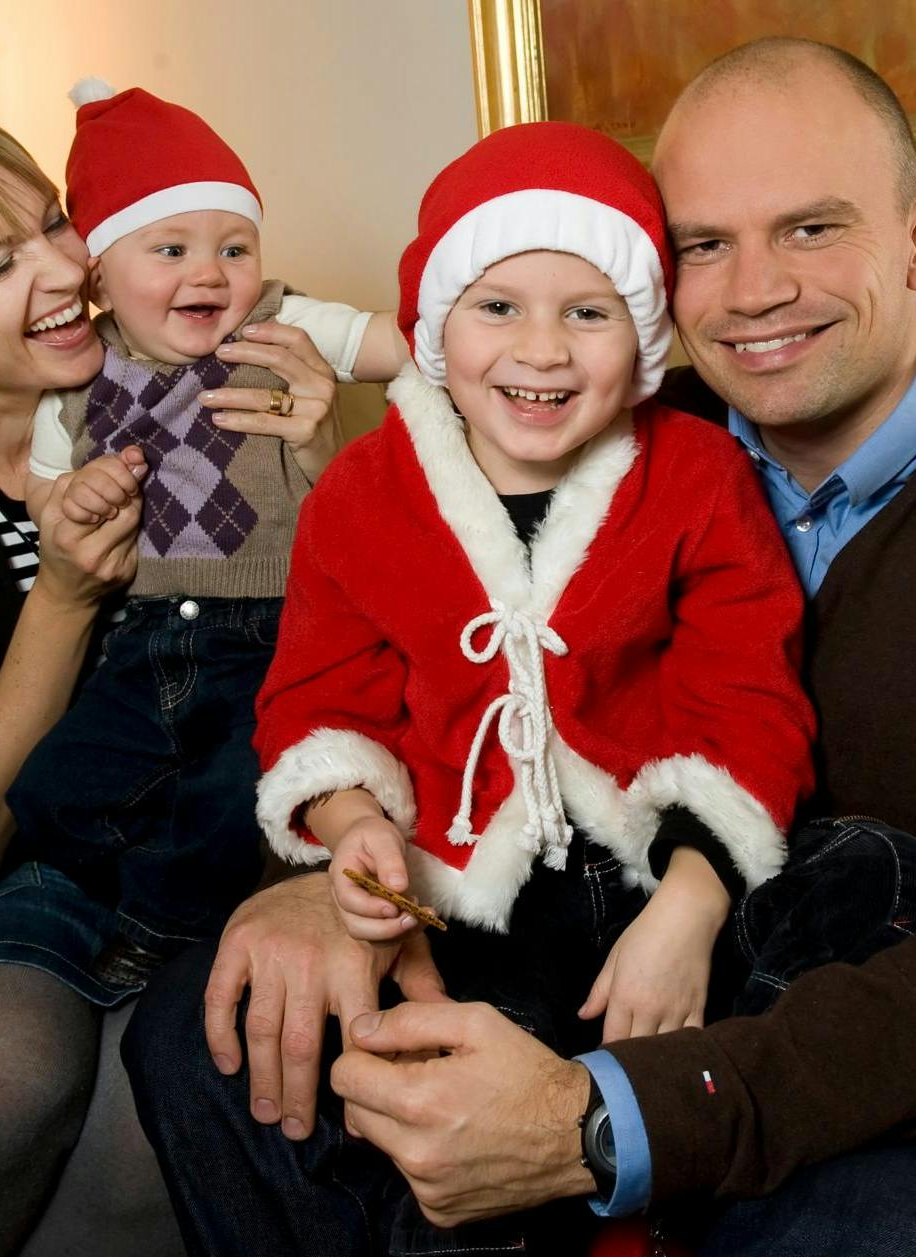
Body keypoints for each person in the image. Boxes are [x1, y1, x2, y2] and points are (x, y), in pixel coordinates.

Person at [123, 36, 916, 1257]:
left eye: (812, 228)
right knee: (203, 1028)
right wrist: (339, 858)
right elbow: (333, 684)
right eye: (705, 243)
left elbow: (747, 699)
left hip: (759, 964)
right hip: (484, 891)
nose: (754, 291)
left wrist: (602, 1112)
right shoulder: (655, 406)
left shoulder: (682, 469)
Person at [0, 99, 339, 1257]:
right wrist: (61, 598)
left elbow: (334, 628)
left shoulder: (201, 351)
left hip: (215, 836)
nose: (64, 266)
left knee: (168, 1113)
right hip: (34, 861)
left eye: (53, 222)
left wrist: (315, 461)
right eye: (0, 264)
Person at [7, 82, 406, 985]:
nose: (211, 272)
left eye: (235, 245)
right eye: (171, 248)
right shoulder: (78, 381)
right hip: (145, 640)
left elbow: (401, 343)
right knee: (47, 791)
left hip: (277, 630)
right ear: (101, 274)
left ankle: (167, 923)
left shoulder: (278, 323)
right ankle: (153, 874)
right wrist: (71, 501)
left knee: (235, 793)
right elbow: (43, 494)